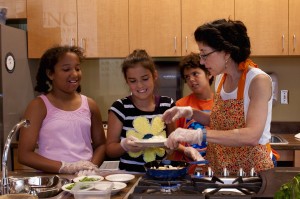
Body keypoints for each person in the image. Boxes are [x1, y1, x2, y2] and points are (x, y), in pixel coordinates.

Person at [163, 19, 275, 175]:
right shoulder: (221, 79)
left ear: (226, 52)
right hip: (220, 168)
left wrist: (198, 134)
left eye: (204, 54)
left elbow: (251, 135)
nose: (201, 61)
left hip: (250, 171)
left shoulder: (257, 81)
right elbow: (219, 121)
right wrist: (189, 112)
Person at [18, 45, 106, 174]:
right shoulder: (38, 106)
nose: (75, 74)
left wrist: (91, 167)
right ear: (50, 73)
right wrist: (65, 167)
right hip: (52, 180)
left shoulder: (90, 104)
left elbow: (101, 145)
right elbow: (24, 155)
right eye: (66, 69)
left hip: (85, 179)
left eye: (77, 68)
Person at [106, 49, 176, 172]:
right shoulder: (120, 108)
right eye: (133, 81)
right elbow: (110, 150)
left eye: (145, 79)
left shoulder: (167, 105)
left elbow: (173, 140)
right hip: (129, 176)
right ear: (127, 81)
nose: (140, 85)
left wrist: (172, 146)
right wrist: (124, 145)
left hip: (161, 174)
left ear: (154, 75)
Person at [168, 52, 214, 163]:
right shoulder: (180, 106)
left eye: (195, 74)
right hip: (187, 170)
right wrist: (186, 150)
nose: (191, 80)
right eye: (187, 77)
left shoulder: (221, 104)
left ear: (209, 74)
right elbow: (172, 142)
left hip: (214, 169)